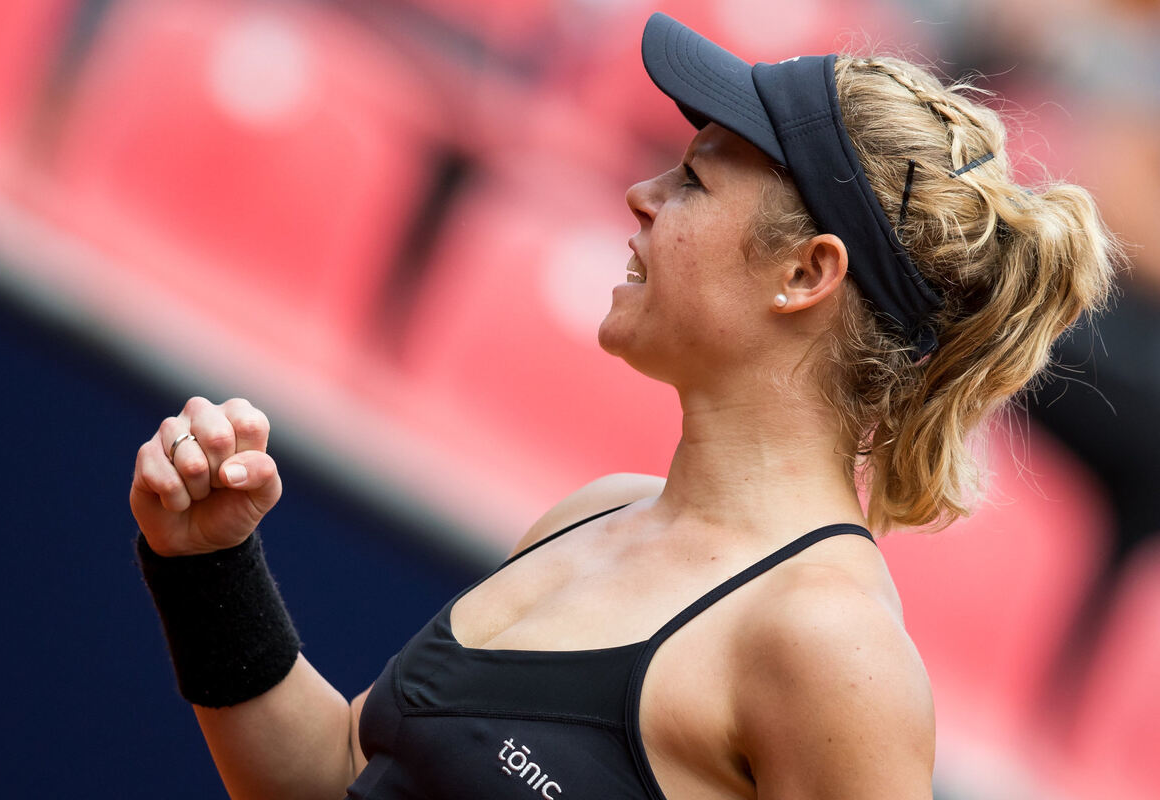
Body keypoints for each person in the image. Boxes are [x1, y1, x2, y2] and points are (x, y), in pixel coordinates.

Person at [130, 13, 1116, 800]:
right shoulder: (593, 512)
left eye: (691, 179)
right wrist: (208, 565)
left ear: (804, 273)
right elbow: (329, 778)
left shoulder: (829, 646)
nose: (641, 194)